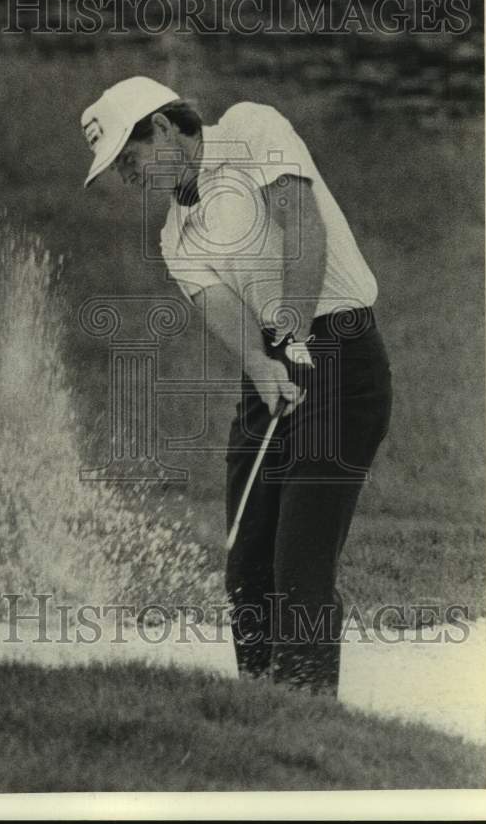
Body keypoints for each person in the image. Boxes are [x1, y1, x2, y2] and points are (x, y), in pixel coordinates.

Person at [80, 75, 392, 696]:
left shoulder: (253, 127)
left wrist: (294, 331)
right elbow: (224, 312)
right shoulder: (176, 234)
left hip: (340, 361)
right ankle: (261, 712)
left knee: (298, 565)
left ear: (165, 128)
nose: (126, 176)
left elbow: (301, 223)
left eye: (129, 157)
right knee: (247, 567)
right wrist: (261, 361)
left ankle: (307, 715)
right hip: (277, 371)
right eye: (116, 167)